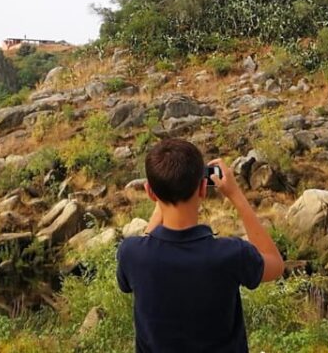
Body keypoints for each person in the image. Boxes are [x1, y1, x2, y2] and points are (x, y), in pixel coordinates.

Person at [116, 138, 285, 352]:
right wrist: (236, 195)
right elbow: (276, 265)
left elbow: (146, 245)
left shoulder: (132, 254)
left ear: (150, 193)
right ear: (203, 189)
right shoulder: (231, 254)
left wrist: (164, 198)